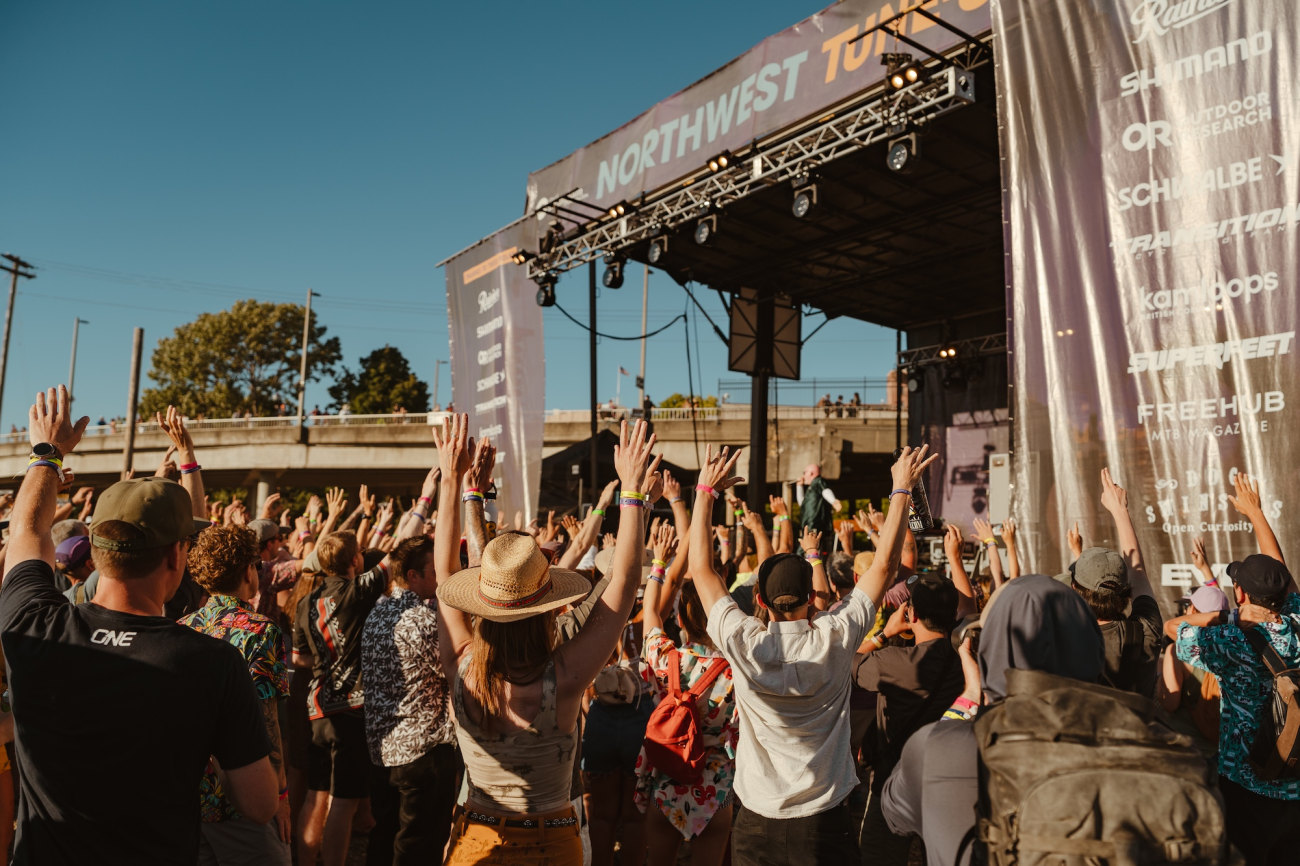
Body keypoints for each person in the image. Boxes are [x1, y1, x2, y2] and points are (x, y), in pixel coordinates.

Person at [0, 386, 276, 864]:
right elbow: (258, 803)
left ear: (98, 550)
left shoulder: (33, 625)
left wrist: (46, 454)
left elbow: (26, 533)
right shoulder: (212, 662)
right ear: (176, 555)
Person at [690, 443, 936, 864]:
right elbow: (885, 566)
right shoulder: (836, 635)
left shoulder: (744, 640)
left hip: (755, 820)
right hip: (824, 822)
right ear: (811, 596)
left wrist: (704, 493)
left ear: (761, 603)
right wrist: (900, 489)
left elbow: (701, 570)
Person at [434, 415, 656, 864]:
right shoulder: (567, 677)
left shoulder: (460, 663)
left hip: (475, 839)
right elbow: (625, 580)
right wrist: (631, 493)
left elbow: (443, 573)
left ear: (484, 610)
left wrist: (453, 480)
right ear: (545, 609)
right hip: (550, 844)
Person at [881, 572, 1105, 866]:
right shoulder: (1141, 744)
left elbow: (894, 815)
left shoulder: (938, 746)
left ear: (989, 649)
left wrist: (970, 696)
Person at [1167, 472, 1300, 864]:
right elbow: (1281, 573)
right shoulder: (1296, 624)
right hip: (1295, 785)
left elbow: (1176, 628)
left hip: (1245, 786)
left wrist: (1219, 619)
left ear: (1238, 593)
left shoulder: (1227, 642)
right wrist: (1257, 514)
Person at [181, 524, 293, 865]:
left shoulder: (183, 626)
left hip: (191, 793)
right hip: (243, 794)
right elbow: (266, 719)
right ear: (247, 569)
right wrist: (281, 795)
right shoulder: (260, 631)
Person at [636, 521, 739, 866]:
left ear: (680, 619)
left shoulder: (667, 659)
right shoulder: (737, 669)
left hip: (667, 777)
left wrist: (660, 563)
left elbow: (650, 613)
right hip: (717, 784)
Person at [360, 534, 462, 865]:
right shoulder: (423, 619)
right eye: (436, 570)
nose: (443, 577)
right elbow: (458, 673)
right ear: (414, 576)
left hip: (382, 752)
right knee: (418, 847)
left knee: (384, 838)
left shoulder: (376, 613)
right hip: (423, 753)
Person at [853, 573, 966, 865]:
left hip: (893, 782)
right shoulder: (965, 661)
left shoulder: (894, 662)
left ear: (911, 613)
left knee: (879, 856)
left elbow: (845, 665)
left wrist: (885, 634)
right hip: (946, 781)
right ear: (953, 614)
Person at [292, 529, 387, 866]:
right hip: (352, 707)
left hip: (318, 705)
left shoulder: (306, 601)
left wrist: (327, 658)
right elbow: (395, 558)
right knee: (344, 801)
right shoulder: (356, 591)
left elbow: (299, 658)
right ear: (354, 560)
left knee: (315, 796)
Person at [1061, 468, 1161, 697]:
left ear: (1074, 589)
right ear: (1126, 592)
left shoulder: (1062, 642)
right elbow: (1139, 574)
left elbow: (1137, 572)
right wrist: (1120, 510)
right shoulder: (1146, 631)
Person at [796, 463, 841, 554]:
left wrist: (834, 501)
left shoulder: (818, 481)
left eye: (805, 473)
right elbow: (802, 503)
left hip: (814, 524)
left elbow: (825, 491)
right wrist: (799, 487)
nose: (803, 475)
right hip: (808, 525)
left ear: (812, 473)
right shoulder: (811, 488)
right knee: (806, 550)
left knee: (805, 550)